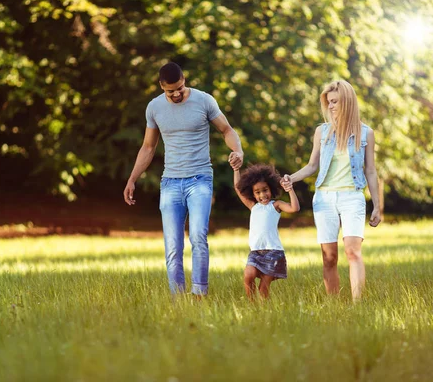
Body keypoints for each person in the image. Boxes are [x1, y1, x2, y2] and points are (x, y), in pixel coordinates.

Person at [123, 62, 243, 297]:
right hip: (170, 183)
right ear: (161, 86)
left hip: (200, 179)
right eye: (171, 91)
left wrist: (237, 151)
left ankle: (199, 294)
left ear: (184, 79)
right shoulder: (154, 108)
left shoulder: (204, 100)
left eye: (180, 87)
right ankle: (177, 298)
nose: (177, 93)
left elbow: (227, 130)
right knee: (173, 246)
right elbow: (148, 147)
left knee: (198, 235)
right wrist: (132, 179)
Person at [281, 80, 381, 301]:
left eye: (335, 101)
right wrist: (291, 178)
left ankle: (358, 305)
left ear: (348, 101)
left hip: (352, 197)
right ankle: (334, 305)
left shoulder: (366, 134)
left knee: (353, 252)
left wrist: (377, 206)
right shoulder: (322, 132)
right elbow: (312, 165)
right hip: (324, 198)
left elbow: (371, 171)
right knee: (329, 257)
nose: (331, 106)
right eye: (329, 103)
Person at [234, 164, 300, 299]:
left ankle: (264, 310)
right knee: (248, 276)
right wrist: (236, 170)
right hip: (255, 252)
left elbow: (294, 208)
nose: (262, 195)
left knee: (263, 287)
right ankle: (253, 307)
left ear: (271, 188)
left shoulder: (276, 205)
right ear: (252, 193)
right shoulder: (253, 206)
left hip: (273, 252)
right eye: (257, 192)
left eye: (265, 190)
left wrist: (290, 189)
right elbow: (237, 188)